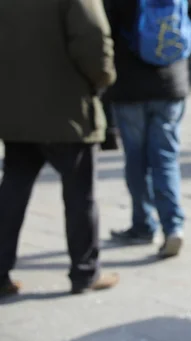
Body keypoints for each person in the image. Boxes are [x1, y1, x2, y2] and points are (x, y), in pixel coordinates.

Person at [0, 0, 119, 297]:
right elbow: (93, 40)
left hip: (15, 110)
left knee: (12, 191)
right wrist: (103, 79)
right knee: (80, 196)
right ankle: (84, 273)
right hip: (69, 109)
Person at [104, 0, 191, 257]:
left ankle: (143, 225)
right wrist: (175, 50)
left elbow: (105, 28)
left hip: (129, 84)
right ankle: (173, 226)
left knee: (136, 158)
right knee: (165, 158)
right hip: (171, 81)